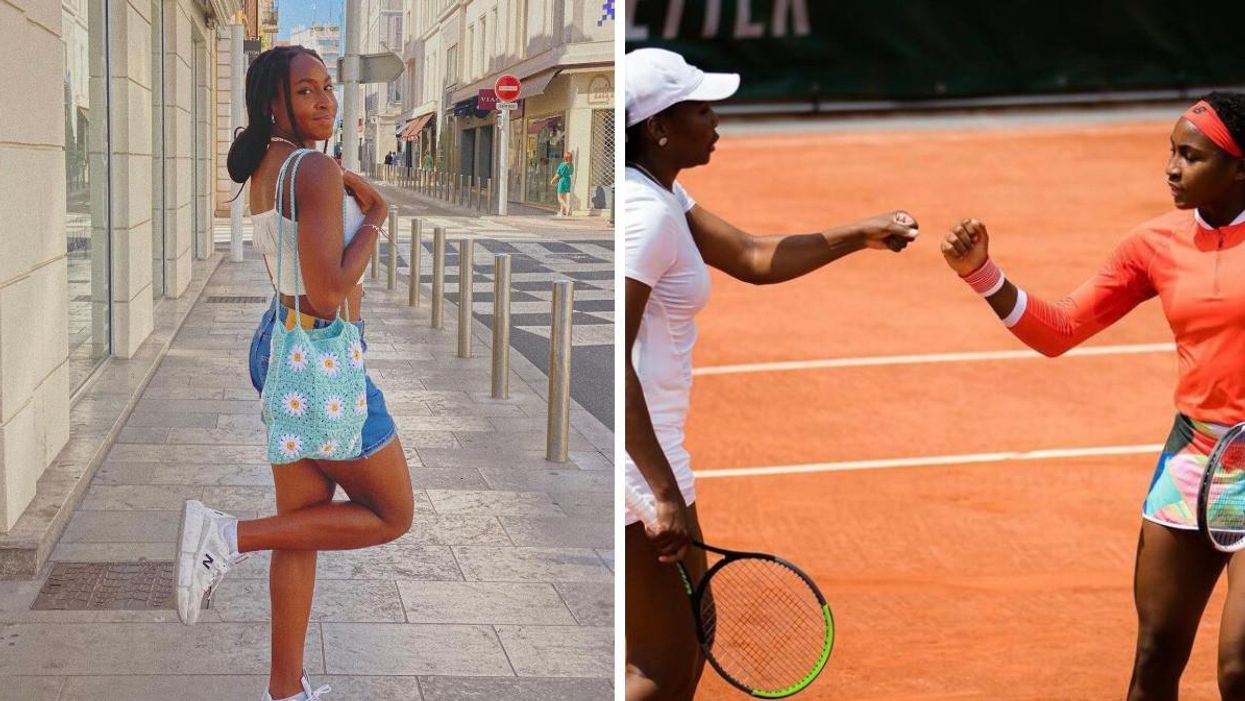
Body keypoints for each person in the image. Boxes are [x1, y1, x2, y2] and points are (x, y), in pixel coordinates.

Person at [623, 47, 920, 701]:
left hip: (654, 453)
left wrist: (861, 233)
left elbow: (752, 255)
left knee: (691, 638)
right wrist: (661, 492)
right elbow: (617, 358)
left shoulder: (661, 194)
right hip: (639, 466)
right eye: (702, 109)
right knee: (658, 666)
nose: (716, 121)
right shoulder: (644, 216)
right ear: (659, 127)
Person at [940, 92, 1245, 701]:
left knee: (1240, 670)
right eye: (1172, 152)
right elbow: (1059, 330)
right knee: (1154, 657)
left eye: (1191, 156)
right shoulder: (1154, 244)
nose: (1172, 168)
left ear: (1239, 167)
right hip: (1191, 459)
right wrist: (983, 275)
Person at [179, 45, 414, 701]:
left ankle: (284, 690)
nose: (324, 100)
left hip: (282, 342)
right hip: (321, 356)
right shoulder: (311, 168)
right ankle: (228, 534)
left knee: (305, 524)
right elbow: (330, 292)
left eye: (326, 87)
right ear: (272, 104)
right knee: (392, 512)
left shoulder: (271, 163)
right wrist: (374, 218)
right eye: (305, 90)